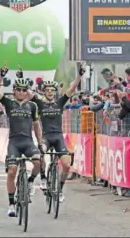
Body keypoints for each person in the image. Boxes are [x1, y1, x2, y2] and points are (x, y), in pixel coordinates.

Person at [28, 64, 85, 203]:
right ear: (44, 92)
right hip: (46, 137)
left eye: (52, 90)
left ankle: (59, 189)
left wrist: (79, 75)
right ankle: (43, 178)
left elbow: (72, 89)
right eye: (47, 90)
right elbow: (28, 93)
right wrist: (21, 77)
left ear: (55, 92)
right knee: (40, 154)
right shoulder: (40, 104)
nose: (50, 92)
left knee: (66, 165)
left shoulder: (60, 102)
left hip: (59, 137)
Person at [0, 65, 43, 218]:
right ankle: (11, 204)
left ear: (27, 91)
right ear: (14, 91)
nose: (21, 92)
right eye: (18, 89)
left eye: (24, 90)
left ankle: (30, 181)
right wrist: (1, 76)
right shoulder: (9, 103)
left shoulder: (32, 106)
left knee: (38, 162)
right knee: (12, 172)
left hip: (28, 141)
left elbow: (36, 126)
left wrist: (40, 144)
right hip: (14, 142)